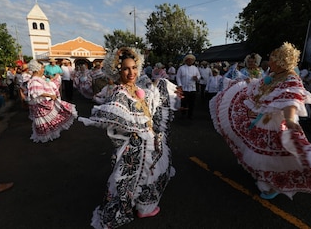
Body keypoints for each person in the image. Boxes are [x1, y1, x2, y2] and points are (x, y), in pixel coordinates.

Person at [209, 42, 311, 202]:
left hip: (275, 123)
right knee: (256, 150)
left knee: (273, 155)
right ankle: (260, 176)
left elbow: (291, 99)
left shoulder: (291, 78)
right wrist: (248, 88)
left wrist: (289, 119)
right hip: (261, 120)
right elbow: (259, 87)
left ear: (283, 62)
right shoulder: (274, 75)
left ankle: (273, 185)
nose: (269, 62)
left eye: (273, 60)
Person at [78, 47, 180, 229]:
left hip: (149, 140)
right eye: (125, 68)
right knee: (130, 179)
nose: (131, 72)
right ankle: (139, 208)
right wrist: (94, 119)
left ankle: (145, 206)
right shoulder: (119, 92)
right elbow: (116, 114)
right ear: (118, 70)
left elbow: (153, 98)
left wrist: (168, 91)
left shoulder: (137, 88)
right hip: (134, 146)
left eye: (134, 67)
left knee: (153, 174)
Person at [27, 59, 77, 143]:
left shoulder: (38, 78)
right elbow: (37, 92)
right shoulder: (34, 80)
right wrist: (50, 95)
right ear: (37, 69)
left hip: (43, 103)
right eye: (42, 68)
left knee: (47, 120)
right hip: (40, 105)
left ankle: (48, 135)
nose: (43, 69)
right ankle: (44, 137)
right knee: (44, 120)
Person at [176, 54, 201, 119]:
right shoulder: (181, 68)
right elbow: (178, 77)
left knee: (192, 102)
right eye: (188, 60)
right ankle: (183, 114)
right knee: (184, 102)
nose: (190, 61)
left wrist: (197, 78)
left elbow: (199, 76)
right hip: (184, 88)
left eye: (191, 60)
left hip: (192, 88)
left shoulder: (195, 68)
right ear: (186, 61)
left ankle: (190, 114)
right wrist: (180, 85)